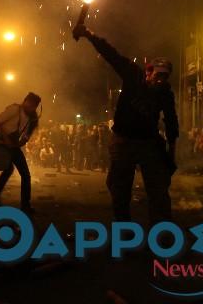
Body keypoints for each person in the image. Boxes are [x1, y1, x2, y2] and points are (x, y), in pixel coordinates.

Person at [73, 24, 179, 224]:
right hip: (123, 140)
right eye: (158, 75)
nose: (160, 81)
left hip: (148, 142)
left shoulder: (165, 93)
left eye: (165, 77)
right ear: (148, 72)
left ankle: (161, 231)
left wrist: (170, 156)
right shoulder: (132, 74)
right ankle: (123, 228)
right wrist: (88, 34)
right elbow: (110, 53)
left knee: (158, 190)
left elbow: (172, 122)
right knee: (119, 188)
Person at [0, 92, 41, 213]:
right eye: (28, 103)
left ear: (35, 107)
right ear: (25, 100)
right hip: (1, 142)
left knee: (25, 175)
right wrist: (6, 139)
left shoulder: (32, 118)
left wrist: (21, 142)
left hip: (13, 145)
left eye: (33, 105)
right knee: (8, 169)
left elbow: (26, 135)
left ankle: (25, 205)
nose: (29, 106)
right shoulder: (14, 109)